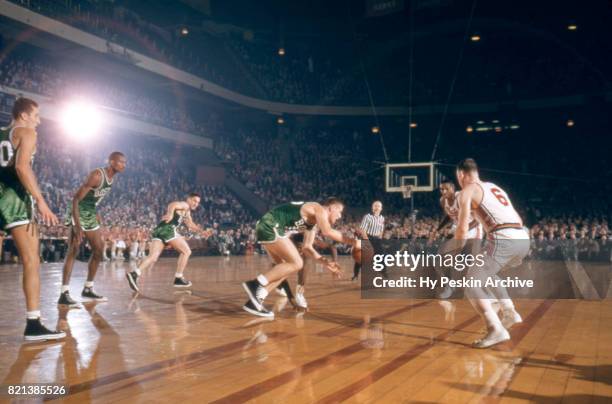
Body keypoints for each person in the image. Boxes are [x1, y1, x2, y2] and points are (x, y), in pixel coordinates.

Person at [0, 97, 65, 341]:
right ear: (24, 115)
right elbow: (22, 167)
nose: (38, 121)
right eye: (36, 115)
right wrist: (40, 199)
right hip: (14, 198)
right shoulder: (26, 131)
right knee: (31, 260)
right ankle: (33, 323)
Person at [455, 158, 529, 348]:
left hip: (503, 238)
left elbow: (462, 229)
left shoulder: (467, 190)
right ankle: (510, 311)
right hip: (523, 237)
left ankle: (495, 328)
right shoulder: (494, 187)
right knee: (487, 273)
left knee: (471, 283)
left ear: (461, 174)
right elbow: (518, 218)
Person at [242, 198, 358, 318]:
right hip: (271, 225)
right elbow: (327, 231)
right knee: (297, 263)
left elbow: (307, 248)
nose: (340, 216)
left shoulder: (312, 225)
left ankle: (255, 301)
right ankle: (255, 284)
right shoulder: (318, 208)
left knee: (285, 270)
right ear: (331, 207)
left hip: (268, 227)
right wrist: (354, 242)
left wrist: (326, 263)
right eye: (339, 211)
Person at [58, 152, 126, 307]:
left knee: (99, 250)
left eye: (125, 162)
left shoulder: (112, 178)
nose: (124, 165)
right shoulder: (97, 175)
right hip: (78, 210)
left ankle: (88, 288)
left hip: (89, 212)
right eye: (121, 162)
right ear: (112, 162)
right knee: (73, 250)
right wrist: (77, 225)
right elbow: (76, 199)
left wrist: (95, 213)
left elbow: (92, 199)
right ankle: (64, 293)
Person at [126, 193, 208, 292]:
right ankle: (178, 278)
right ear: (189, 199)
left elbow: (190, 224)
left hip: (159, 230)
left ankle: (135, 273)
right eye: (194, 201)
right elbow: (172, 204)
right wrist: (170, 213)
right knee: (186, 251)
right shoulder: (185, 205)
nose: (196, 204)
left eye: (198, 202)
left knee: (153, 256)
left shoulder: (187, 212)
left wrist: (202, 231)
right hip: (167, 229)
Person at [436, 180, 483, 298]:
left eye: (446, 188)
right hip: (459, 228)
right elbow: (449, 215)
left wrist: (464, 229)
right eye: (441, 189)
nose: (443, 191)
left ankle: (481, 289)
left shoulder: (462, 197)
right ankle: (450, 285)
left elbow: (478, 218)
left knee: (473, 263)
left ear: (453, 188)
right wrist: (438, 229)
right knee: (442, 258)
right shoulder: (443, 201)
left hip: (473, 228)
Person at [352, 201, 384, 280]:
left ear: (381, 208)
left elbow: (381, 230)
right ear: (372, 208)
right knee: (360, 257)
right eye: (375, 206)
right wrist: (367, 241)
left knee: (379, 257)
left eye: (378, 206)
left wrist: (379, 238)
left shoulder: (382, 218)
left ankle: (380, 273)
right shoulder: (367, 217)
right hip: (367, 238)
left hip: (376, 239)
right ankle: (355, 275)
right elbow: (363, 230)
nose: (377, 207)